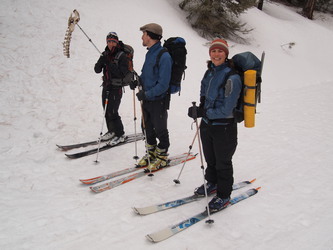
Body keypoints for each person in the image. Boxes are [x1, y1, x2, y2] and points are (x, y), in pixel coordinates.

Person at [188, 39, 242, 212]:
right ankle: (212, 183)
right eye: (213, 51)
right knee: (210, 158)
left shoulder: (232, 77)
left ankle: (224, 195)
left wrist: (206, 113)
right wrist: (199, 109)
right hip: (207, 124)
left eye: (220, 51)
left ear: (226, 54)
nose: (216, 54)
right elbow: (203, 92)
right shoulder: (209, 72)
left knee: (223, 162)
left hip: (224, 127)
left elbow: (227, 109)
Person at [130, 23, 172, 171]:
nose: (142, 37)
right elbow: (148, 75)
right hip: (146, 99)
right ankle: (151, 153)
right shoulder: (150, 53)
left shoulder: (164, 56)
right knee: (146, 128)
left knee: (160, 129)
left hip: (158, 100)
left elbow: (163, 84)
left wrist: (146, 94)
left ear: (150, 35)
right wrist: (138, 81)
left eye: (144, 34)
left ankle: (162, 156)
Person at [94, 32, 129, 145]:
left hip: (116, 87)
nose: (111, 44)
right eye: (109, 41)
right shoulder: (105, 54)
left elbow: (122, 73)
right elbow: (97, 70)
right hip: (106, 86)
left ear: (117, 42)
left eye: (113, 41)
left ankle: (120, 134)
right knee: (106, 110)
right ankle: (112, 130)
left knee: (113, 111)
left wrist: (109, 63)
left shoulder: (121, 55)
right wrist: (101, 61)